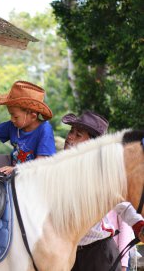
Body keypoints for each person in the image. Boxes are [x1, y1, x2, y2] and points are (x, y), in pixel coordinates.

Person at [61, 110, 144, 271]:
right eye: (71, 132)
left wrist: (139, 225)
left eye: (78, 135)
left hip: (98, 254)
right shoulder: (56, 172)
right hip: (68, 255)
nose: (70, 137)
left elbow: (123, 205)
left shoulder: (100, 174)